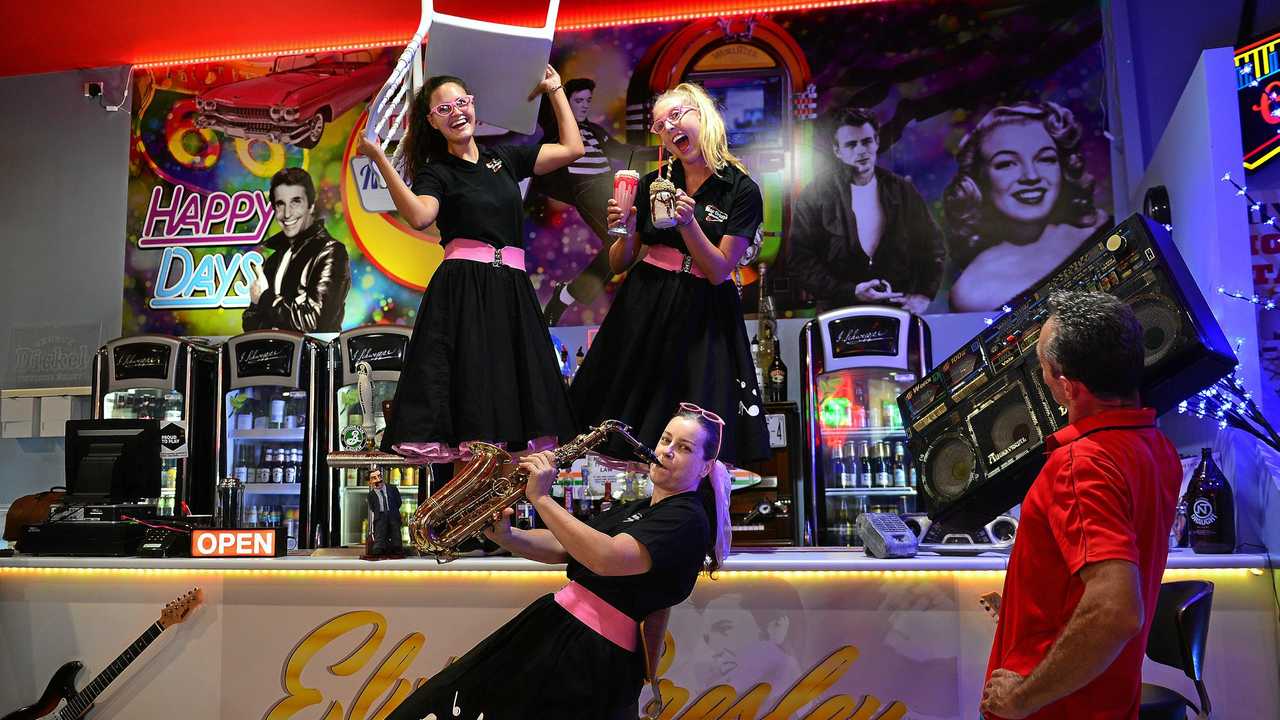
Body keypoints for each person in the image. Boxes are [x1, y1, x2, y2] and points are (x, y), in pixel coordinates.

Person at [384, 404, 733, 720]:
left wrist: (540, 498)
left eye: (684, 448)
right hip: (562, 629)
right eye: (665, 439)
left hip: (590, 654)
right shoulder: (641, 509)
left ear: (704, 468)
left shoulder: (687, 518)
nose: (667, 451)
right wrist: (507, 536)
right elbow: (565, 546)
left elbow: (605, 558)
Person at [355, 67, 583, 483]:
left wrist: (555, 91)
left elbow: (571, 147)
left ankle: (498, 521)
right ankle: (463, 520)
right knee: (471, 405)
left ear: (474, 105)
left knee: (512, 405)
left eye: (462, 102)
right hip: (464, 292)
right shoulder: (436, 171)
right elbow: (421, 216)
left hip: (511, 290)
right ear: (431, 121)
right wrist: (381, 160)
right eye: (444, 108)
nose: (456, 112)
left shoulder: (505, 158)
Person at [980, 290, 1181, 719]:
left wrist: (1022, 698)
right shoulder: (1154, 446)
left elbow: (1115, 609)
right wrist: (1025, 603)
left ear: (1066, 386)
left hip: (1059, 709)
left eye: (1042, 366)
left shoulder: (1080, 463)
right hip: (1105, 699)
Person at [569, 82, 770, 467]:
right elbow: (618, 264)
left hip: (705, 312)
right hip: (647, 302)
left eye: (676, 115)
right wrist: (624, 228)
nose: (668, 127)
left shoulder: (741, 190)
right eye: (660, 124)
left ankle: (694, 513)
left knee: (697, 432)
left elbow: (718, 270)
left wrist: (688, 222)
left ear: (702, 114)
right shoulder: (652, 183)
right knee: (631, 425)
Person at [944, 101, 1107, 313]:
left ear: (1064, 165)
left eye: (1045, 159)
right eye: (1006, 163)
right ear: (979, 178)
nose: (1031, 176)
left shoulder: (1103, 230)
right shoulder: (971, 291)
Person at [787, 108, 944, 314]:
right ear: (837, 151)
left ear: (877, 142)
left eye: (867, 141)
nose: (861, 150)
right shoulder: (816, 194)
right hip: (838, 312)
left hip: (897, 309)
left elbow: (933, 246)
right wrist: (850, 291)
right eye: (851, 144)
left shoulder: (901, 190)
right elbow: (800, 261)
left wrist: (924, 295)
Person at [535, 77, 646, 325]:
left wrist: (664, 151)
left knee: (633, 242)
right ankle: (566, 297)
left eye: (588, 100)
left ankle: (566, 295)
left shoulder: (595, 131)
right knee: (618, 243)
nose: (584, 105)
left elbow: (623, 150)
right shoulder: (558, 132)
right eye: (578, 100)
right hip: (586, 191)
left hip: (611, 187)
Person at [242, 166, 351, 332]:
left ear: (311, 206)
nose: (287, 214)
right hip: (275, 355)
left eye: (295, 202)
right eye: (280, 204)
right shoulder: (275, 258)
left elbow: (315, 322)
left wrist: (264, 299)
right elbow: (250, 325)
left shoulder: (330, 252)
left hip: (314, 357)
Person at [365, 468, 402, 556]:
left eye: (379, 476)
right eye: (374, 478)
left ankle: (397, 548)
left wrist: (393, 511)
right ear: (370, 482)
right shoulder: (371, 495)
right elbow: (373, 507)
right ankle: (379, 548)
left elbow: (398, 502)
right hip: (380, 516)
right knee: (380, 532)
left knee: (395, 531)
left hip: (393, 514)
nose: (378, 480)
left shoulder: (392, 488)